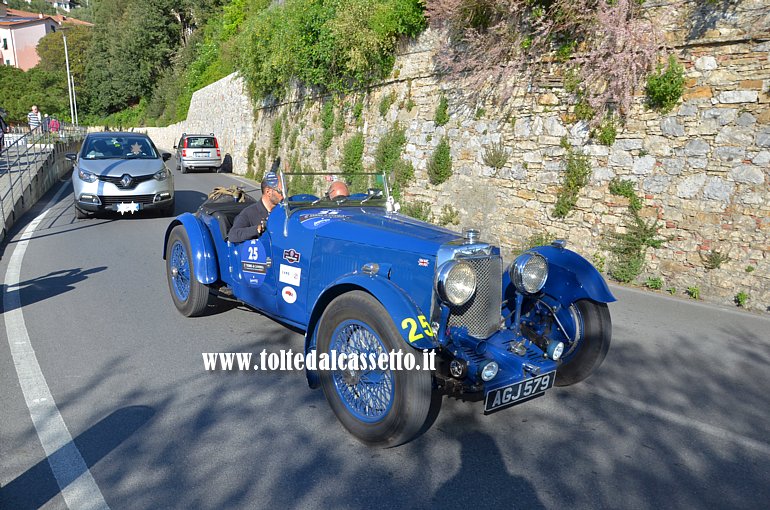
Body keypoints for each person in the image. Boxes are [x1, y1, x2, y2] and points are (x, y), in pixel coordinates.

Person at [228, 171, 283, 243]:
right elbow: (233, 235)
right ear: (268, 192)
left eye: (286, 191)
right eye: (281, 192)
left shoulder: (283, 212)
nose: (284, 196)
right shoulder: (249, 213)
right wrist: (257, 229)